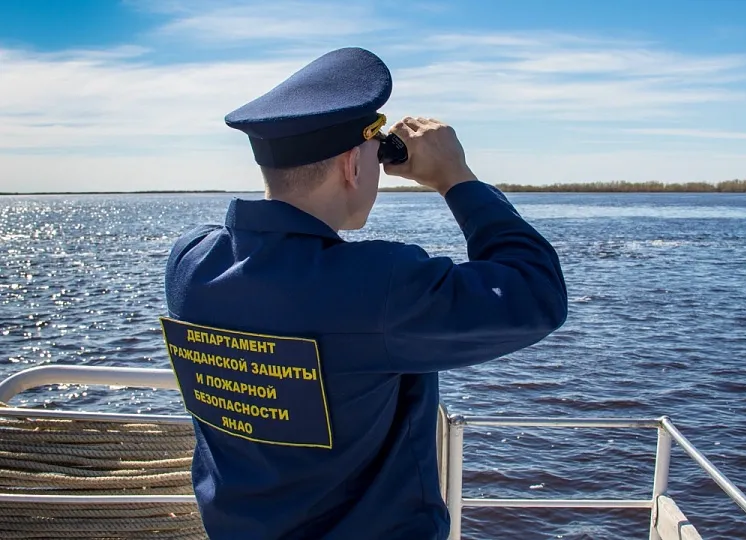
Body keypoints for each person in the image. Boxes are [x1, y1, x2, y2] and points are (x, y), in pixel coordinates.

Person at [161, 47, 567, 540]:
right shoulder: (379, 286)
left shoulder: (192, 261)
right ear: (353, 165)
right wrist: (457, 179)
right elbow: (535, 293)